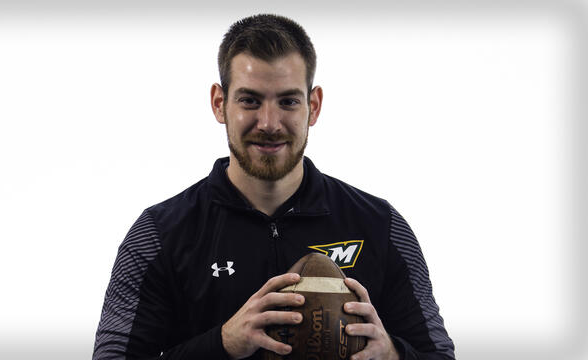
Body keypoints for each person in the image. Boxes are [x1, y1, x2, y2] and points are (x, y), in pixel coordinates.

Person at [92, 14, 455, 360]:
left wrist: (391, 353)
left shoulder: (380, 225)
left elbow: (438, 354)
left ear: (313, 106)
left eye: (288, 101)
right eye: (250, 100)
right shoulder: (160, 234)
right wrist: (223, 344)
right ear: (220, 103)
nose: (269, 123)